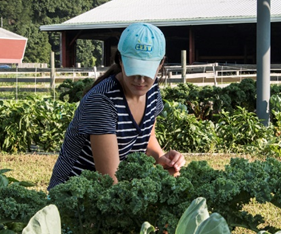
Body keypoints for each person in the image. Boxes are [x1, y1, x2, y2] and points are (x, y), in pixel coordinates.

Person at [48, 22, 185, 190]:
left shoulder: (152, 91)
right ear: (120, 60)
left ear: (161, 64)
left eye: (147, 72)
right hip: (73, 194)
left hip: (111, 190)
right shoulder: (102, 101)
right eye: (134, 70)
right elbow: (109, 180)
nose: (140, 80)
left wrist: (162, 158)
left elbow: (148, 138)